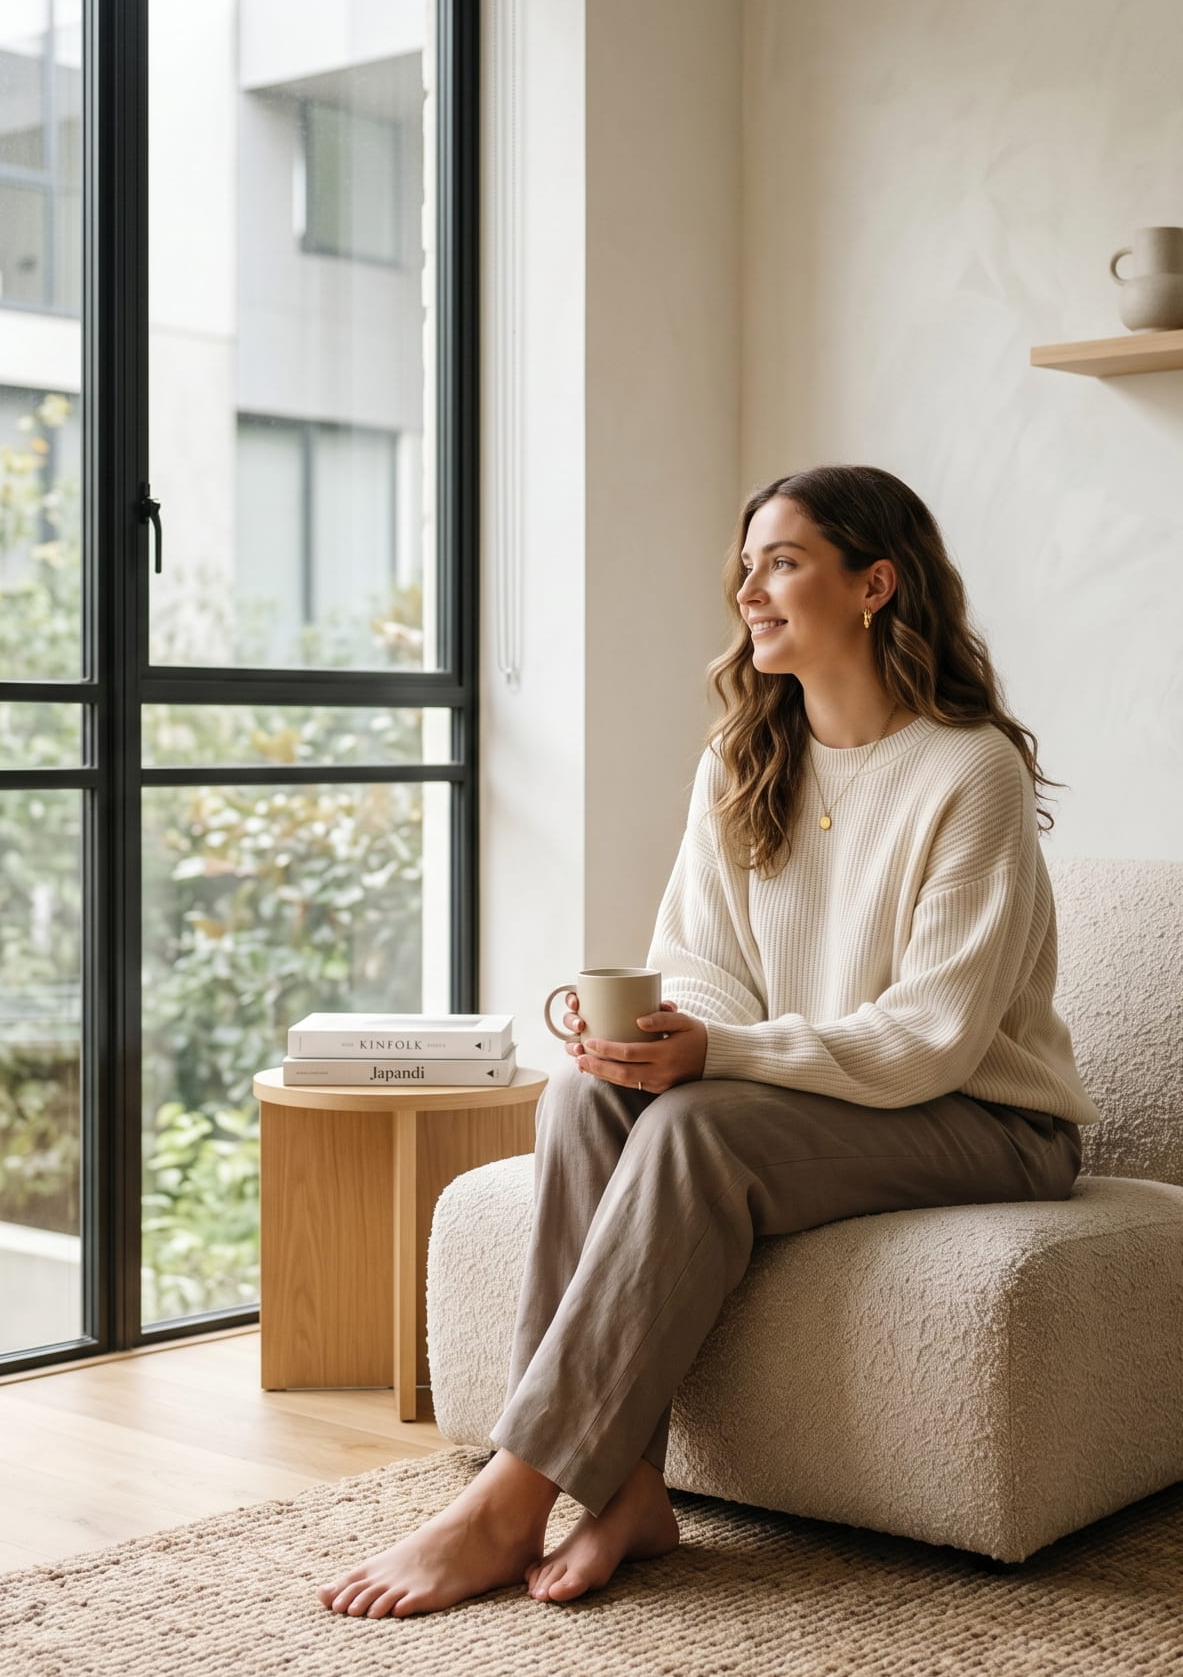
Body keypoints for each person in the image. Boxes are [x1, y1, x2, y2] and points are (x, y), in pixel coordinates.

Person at [317, 464, 1101, 1618]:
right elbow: (701, 965)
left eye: (781, 561)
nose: (749, 589)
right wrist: (648, 1035)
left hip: (989, 1119)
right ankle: (628, 1488)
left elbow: (933, 1033)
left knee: (693, 1131)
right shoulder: (743, 758)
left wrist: (716, 1057)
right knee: (586, 1100)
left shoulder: (966, 768)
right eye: (746, 565)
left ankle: (507, 1497)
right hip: (835, 1101)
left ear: (875, 583)